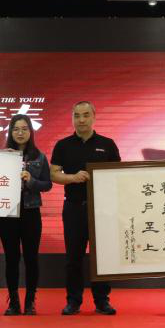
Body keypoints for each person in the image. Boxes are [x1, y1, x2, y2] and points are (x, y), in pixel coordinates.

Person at [50, 101, 120, 315]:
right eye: (77, 116)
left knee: (102, 256)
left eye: (86, 115)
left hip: (102, 209)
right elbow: (53, 174)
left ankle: (102, 301)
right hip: (73, 208)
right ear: (72, 118)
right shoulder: (63, 145)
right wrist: (72, 177)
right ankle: (73, 301)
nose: (81, 120)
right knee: (73, 257)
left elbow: (118, 174)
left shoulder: (107, 144)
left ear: (94, 117)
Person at [0, 114, 52, 315]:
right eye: (16, 129)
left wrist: (31, 180)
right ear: (10, 132)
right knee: (11, 258)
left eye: (24, 129)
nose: (20, 133)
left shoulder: (40, 157)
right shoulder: (2, 156)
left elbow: (47, 184)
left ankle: (30, 302)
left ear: (30, 131)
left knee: (31, 258)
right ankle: (13, 302)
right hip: (8, 213)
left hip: (31, 213)